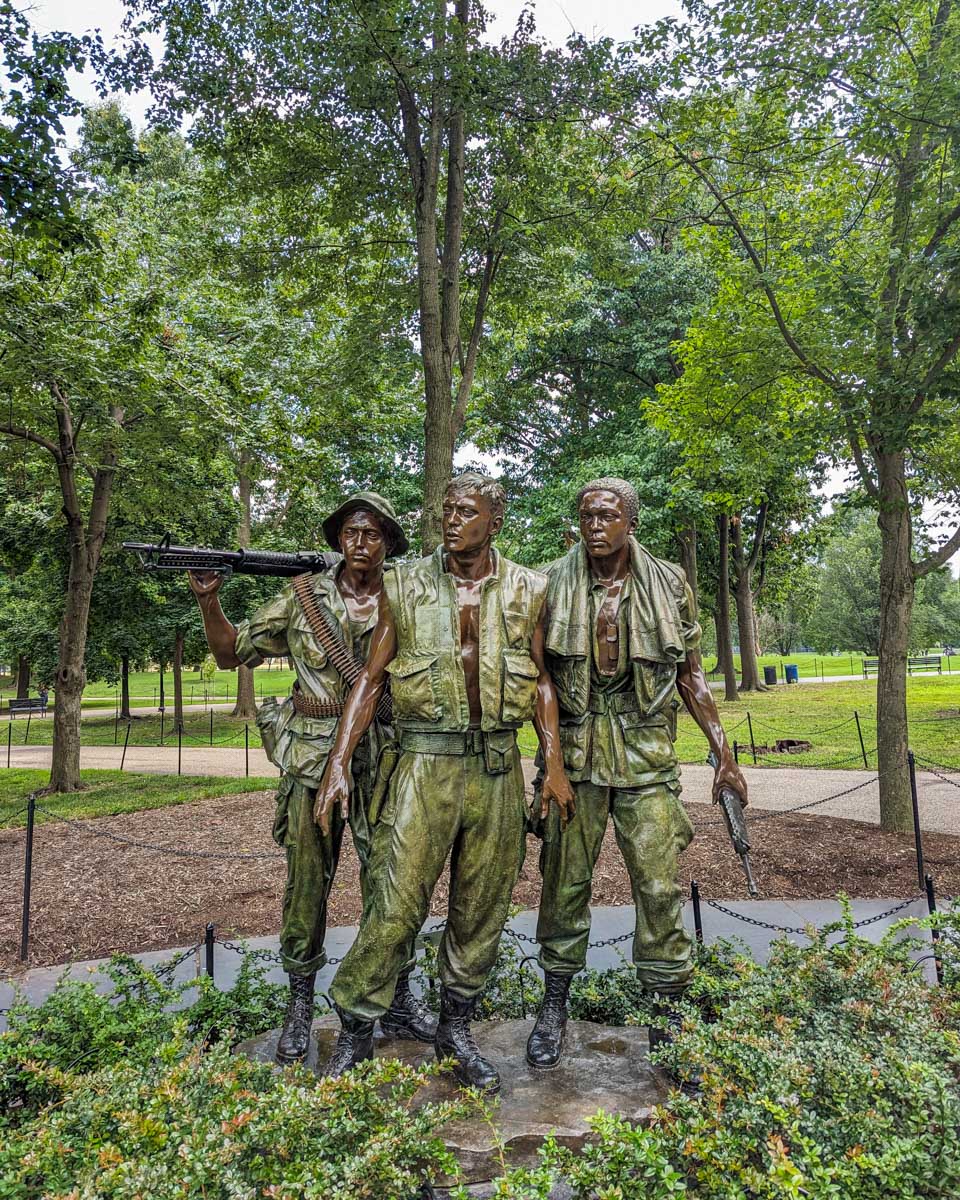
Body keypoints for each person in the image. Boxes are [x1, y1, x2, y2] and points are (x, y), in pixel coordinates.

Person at [314, 472, 575, 1093]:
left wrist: (555, 762)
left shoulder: (528, 587)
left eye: (466, 510)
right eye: (446, 509)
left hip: (496, 767)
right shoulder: (402, 584)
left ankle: (455, 1031)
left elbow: (540, 679)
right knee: (395, 901)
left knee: (481, 908)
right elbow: (371, 681)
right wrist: (337, 764)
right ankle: (356, 1031)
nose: (451, 519)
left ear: (495, 519)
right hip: (423, 765)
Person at [188, 492, 436, 1064]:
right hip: (311, 760)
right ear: (337, 540)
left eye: (373, 534)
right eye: (350, 532)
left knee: (393, 883)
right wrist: (210, 601)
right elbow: (230, 655)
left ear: (389, 544)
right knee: (306, 886)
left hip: (386, 757)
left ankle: (396, 997)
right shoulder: (302, 597)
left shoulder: (410, 596)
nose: (359, 543)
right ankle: (300, 1003)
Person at [525, 477, 748, 1070]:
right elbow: (540, 678)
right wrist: (550, 765)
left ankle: (668, 1012)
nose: (595, 525)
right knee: (564, 882)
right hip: (574, 753)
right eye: (586, 516)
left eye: (607, 515)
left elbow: (691, 675)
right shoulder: (548, 583)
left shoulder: (671, 582)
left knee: (658, 885)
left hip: (646, 750)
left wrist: (723, 754)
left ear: (631, 522)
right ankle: (554, 1004)